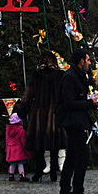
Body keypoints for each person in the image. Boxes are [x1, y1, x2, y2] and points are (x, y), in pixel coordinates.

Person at [57, 48, 98, 194]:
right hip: (73, 121)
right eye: (88, 60)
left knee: (72, 157)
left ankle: (65, 191)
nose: (89, 63)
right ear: (81, 61)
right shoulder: (70, 77)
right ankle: (77, 191)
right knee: (82, 156)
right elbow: (69, 102)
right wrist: (89, 103)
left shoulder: (81, 75)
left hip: (79, 119)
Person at [20, 51, 66, 183]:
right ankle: (53, 171)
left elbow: (28, 94)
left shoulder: (37, 76)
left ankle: (38, 171)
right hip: (55, 113)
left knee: (38, 143)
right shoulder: (60, 76)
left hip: (39, 113)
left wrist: (23, 111)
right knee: (54, 143)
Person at [6, 113, 31, 182]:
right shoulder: (20, 131)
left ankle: (11, 175)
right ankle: (22, 175)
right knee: (20, 163)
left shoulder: (8, 130)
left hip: (11, 149)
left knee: (12, 163)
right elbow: (23, 140)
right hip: (19, 150)